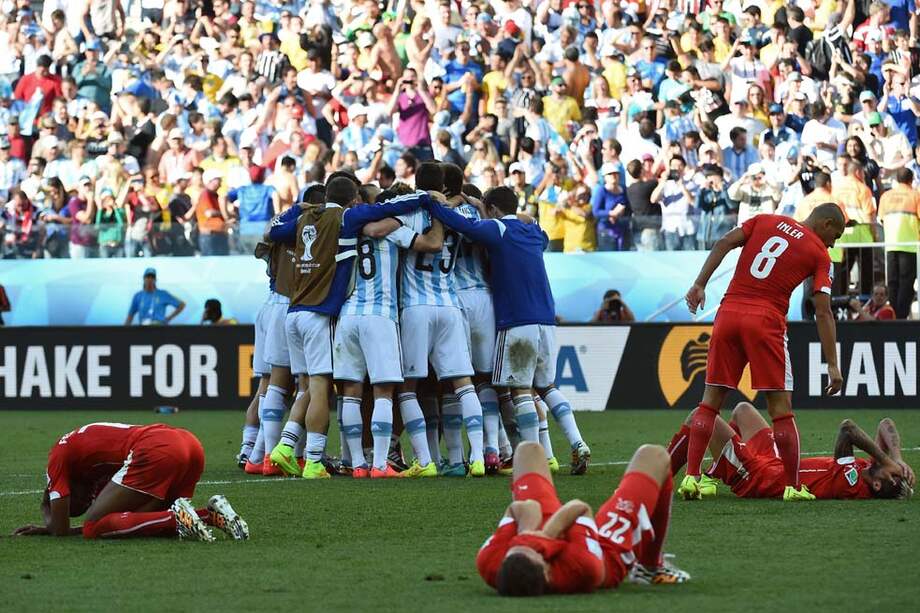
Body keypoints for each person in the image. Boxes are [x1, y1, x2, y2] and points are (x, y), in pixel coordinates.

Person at [671, 204, 846, 501]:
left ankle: (691, 477)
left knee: (710, 401)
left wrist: (699, 284)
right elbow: (823, 312)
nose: (834, 242)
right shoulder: (819, 254)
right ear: (826, 223)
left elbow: (724, 242)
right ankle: (792, 486)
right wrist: (833, 364)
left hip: (728, 312)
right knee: (780, 408)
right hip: (765, 321)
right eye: (836, 234)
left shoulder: (765, 220)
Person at [266, 176, 429, 479]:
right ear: (353, 198)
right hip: (321, 314)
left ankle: (286, 446)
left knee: (307, 387)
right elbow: (383, 210)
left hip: (294, 312)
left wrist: (296, 208)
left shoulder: (304, 219)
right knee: (320, 389)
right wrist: (425, 198)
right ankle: (314, 459)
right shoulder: (346, 217)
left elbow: (274, 231)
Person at [425, 186, 591, 474]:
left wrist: (434, 203)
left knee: (520, 391)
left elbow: (461, 224)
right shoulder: (535, 233)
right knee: (547, 386)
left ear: (492, 210)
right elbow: (535, 229)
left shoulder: (497, 230)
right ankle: (577, 442)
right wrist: (487, 205)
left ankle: (531, 458)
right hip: (547, 320)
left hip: (518, 321)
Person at [476, 441, 689, 596]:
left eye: (521, 546)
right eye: (536, 550)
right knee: (654, 456)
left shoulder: (489, 562)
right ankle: (650, 566)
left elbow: (525, 507)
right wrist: (544, 536)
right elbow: (578, 509)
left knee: (527, 450)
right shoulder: (581, 569)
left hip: (544, 531)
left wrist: (528, 536)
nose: (529, 544)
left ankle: (530, 538)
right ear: (547, 570)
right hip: (603, 550)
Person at [12, 422, 249, 542]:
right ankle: (211, 515)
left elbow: (61, 531)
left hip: (158, 447)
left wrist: (48, 518)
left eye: (79, 500)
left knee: (94, 526)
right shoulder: (90, 468)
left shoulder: (57, 460)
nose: (88, 500)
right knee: (147, 521)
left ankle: (177, 517)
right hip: (188, 444)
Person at [704, 403, 914, 500]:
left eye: (894, 473)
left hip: (760, 478)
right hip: (776, 463)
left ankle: (721, 469)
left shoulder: (852, 484)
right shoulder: (869, 469)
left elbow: (847, 429)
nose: (893, 468)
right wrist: (897, 458)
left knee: (704, 417)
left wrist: (887, 460)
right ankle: (720, 465)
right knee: (743, 410)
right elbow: (885, 424)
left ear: (877, 485)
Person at [878, 168, 920, 318]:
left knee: (893, 283)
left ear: (896, 180)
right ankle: (900, 317)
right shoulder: (916, 195)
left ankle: (893, 315)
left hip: (890, 245)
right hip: (909, 245)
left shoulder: (886, 196)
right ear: (911, 180)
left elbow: (881, 219)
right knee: (906, 284)